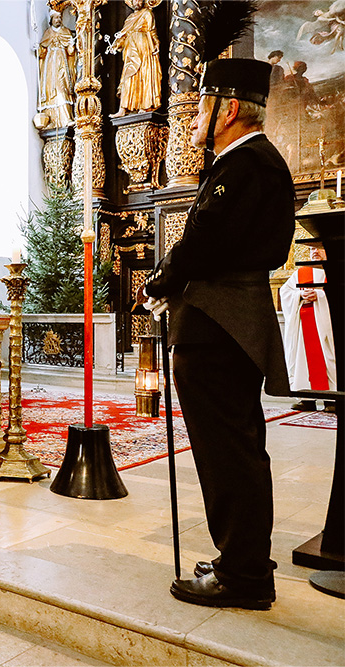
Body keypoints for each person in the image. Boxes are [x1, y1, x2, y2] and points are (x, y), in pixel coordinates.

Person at [143, 58, 295, 610]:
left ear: (229, 109)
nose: (193, 120)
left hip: (218, 324)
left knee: (227, 450)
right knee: (235, 446)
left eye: (202, 106)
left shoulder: (246, 163)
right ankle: (241, 558)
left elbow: (205, 239)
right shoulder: (251, 162)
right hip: (223, 319)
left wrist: (162, 278)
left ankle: (245, 575)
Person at [280, 245, 337, 412]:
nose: (315, 251)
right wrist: (299, 295)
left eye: (320, 248)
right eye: (312, 248)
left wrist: (320, 295)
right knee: (302, 359)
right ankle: (307, 398)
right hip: (304, 324)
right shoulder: (301, 272)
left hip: (326, 324)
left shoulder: (335, 269)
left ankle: (332, 398)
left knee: (328, 357)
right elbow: (285, 292)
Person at [108, 0, 161, 117]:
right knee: (127, 76)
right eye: (134, 0)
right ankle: (123, 109)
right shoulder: (129, 18)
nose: (137, 2)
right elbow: (122, 35)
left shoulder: (147, 13)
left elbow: (152, 31)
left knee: (144, 74)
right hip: (130, 50)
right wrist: (116, 44)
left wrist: (156, 43)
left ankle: (145, 105)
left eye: (139, 0)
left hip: (143, 47)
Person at [36, 9, 76, 129]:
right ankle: (51, 120)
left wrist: (71, 45)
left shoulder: (66, 32)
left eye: (59, 18)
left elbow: (71, 53)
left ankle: (66, 118)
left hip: (62, 64)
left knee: (61, 89)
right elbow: (42, 53)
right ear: (51, 20)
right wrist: (39, 48)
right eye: (55, 18)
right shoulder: (47, 33)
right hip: (50, 67)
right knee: (50, 91)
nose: (58, 20)